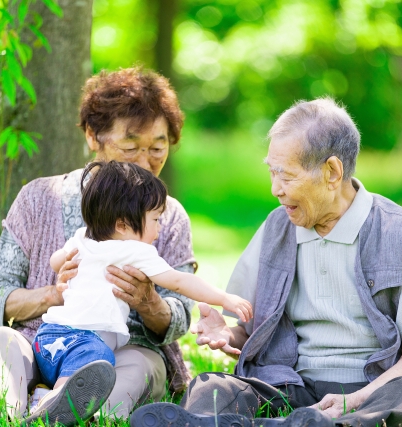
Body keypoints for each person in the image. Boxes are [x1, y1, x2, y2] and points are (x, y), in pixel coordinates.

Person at [131, 98, 402, 427]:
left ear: (332, 172)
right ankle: (255, 423)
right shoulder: (277, 228)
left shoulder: (400, 231)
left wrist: (353, 400)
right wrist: (228, 335)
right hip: (292, 385)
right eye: (272, 173)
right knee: (214, 386)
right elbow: (251, 333)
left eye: (287, 177)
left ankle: (331, 422)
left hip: (374, 387)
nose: (275, 189)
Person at [0, 67, 198, 425]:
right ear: (93, 137)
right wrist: (53, 294)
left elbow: (182, 315)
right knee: (5, 341)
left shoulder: (169, 216)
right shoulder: (38, 198)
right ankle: (4, 407)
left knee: (135, 368)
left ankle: (57, 409)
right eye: (130, 146)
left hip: (122, 353)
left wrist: (149, 302)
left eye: (158, 148)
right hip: (43, 344)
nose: (145, 161)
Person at [32, 160, 252, 414]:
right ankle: (48, 407)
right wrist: (223, 298)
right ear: (123, 225)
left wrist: (65, 266)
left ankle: (40, 397)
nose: (158, 230)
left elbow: (54, 261)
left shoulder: (83, 237)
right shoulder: (135, 251)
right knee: (92, 362)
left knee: (86, 367)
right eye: (156, 220)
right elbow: (180, 281)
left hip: (49, 335)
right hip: (84, 344)